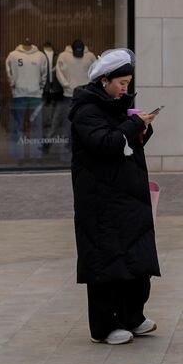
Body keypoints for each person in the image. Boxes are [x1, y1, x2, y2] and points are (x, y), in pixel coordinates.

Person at [69, 48, 160, 346]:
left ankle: (132, 316)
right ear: (104, 80)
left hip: (127, 198)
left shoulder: (116, 106)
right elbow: (105, 143)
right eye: (121, 82)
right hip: (100, 202)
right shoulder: (87, 111)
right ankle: (104, 326)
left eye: (128, 82)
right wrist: (133, 125)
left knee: (135, 258)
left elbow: (126, 142)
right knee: (105, 264)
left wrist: (142, 129)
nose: (125, 88)